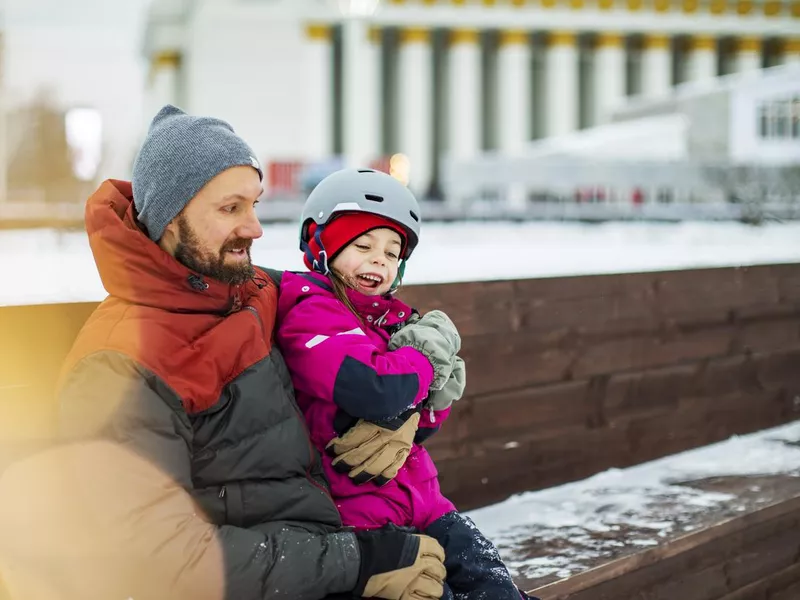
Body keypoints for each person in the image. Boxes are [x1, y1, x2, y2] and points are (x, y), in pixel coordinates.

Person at [0, 105, 448, 600]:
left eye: (254, 204)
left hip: (338, 538)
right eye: (231, 208)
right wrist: (356, 564)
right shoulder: (120, 365)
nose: (256, 228)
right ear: (171, 218)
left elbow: (384, 321)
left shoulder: (255, 291)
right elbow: (158, 559)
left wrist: (404, 411)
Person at [275, 168, 532, 600]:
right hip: (362, 516)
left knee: (496, 584)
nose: (380, 259)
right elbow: (377, 390)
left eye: (393, 252)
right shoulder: (311, 312)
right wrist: (428, 365)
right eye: (363, 245)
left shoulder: (386, 319)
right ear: (319, 245)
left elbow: (423, 419)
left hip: (425, 501)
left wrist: (429, 401)